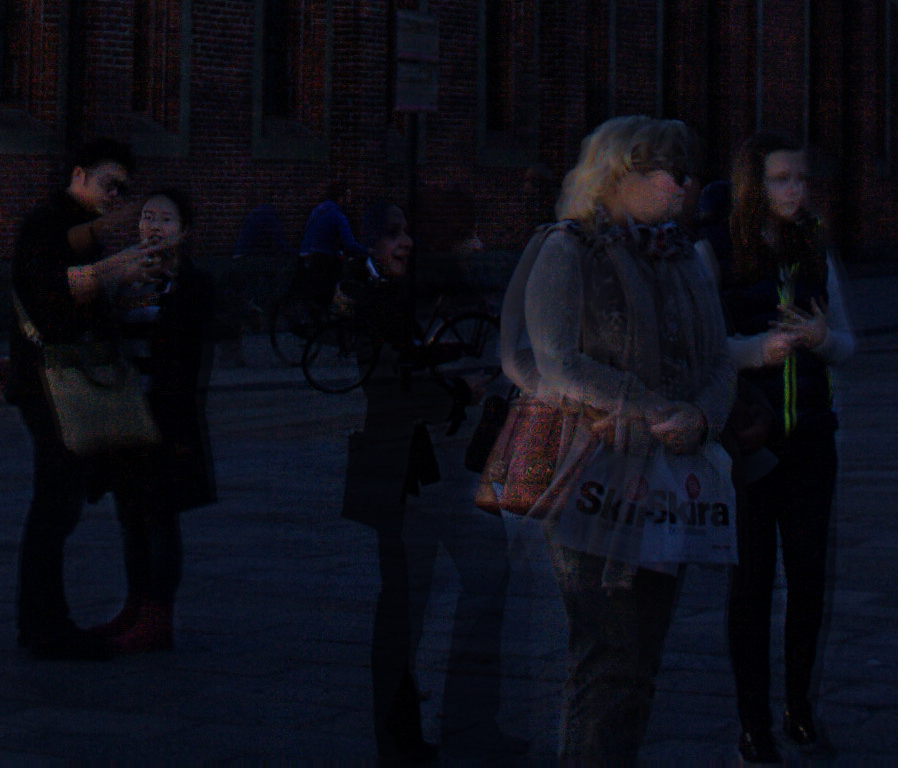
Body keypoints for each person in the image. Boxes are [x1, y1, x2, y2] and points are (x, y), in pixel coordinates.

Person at [495, 114, 742, 768]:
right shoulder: (567, 248)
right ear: (616, 175)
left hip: (666, 474)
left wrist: (701, 417)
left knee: (642, 658)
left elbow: (720, 359)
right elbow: (554, 361)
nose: (681, 182)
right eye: (663, 169)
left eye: (685, 170)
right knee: (608, 655)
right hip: (590, 472)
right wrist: (655, 406)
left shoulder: (685, 253)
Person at [346, 205, 504, 763]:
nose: (405, 244)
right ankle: (403, 733)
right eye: (393, 234)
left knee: (479, 584)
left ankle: (456, 722)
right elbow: (390, 388)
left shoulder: (410, 295)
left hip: (435, 471)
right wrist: (461, 393)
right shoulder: (375, 298)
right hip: (407, 473)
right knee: (405, 608)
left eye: (410, 232)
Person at [5, 137, 169, 660]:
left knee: (61, 505)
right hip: (52, 382)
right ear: (78, 175)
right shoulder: (46, 225)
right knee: (54, 507)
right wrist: (112, 271)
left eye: (123, 188)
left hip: (65, 381)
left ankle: (43, 622)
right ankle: (46, 626)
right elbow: (50, 297)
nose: (116, 195)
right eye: (109, 183)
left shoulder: (77, 228)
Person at [721, 132, 856, 762]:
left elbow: (850, 345)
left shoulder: (815, 246)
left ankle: (799, 706)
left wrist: (823, 338)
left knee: (807, 576)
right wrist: (755, 351)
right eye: (780, 179)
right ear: (755, 184)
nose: (795, 190)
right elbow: (700, 347)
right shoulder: (720, 249)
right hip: (750, 437)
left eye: (801, 178)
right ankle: (753, 719)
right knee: (750, 582)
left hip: (811, 436)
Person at [105, 185, 217, 656]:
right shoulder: (127, 280)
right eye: (147, 217)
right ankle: (134, 606)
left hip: (166, 419)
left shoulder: (192, 286)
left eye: (165, 219)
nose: (153, 226)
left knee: (159, 520)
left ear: (184, 230)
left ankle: (158, 618)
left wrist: (179, 429)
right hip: (127, 415)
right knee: (130, 518)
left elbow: (192, 364)